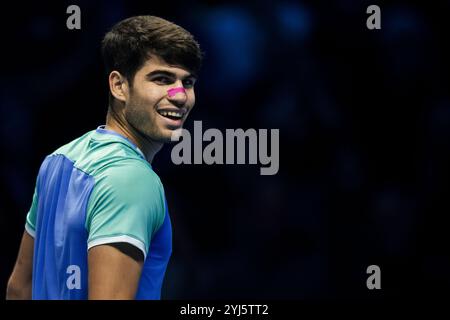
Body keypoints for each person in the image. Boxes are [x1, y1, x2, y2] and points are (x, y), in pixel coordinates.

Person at [6, 15, 202, 300]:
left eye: (188, 83)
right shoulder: (133, 180)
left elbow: (19, 290)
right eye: (162, 79)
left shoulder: (60, 159)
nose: (180, 96)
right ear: (118, 86)